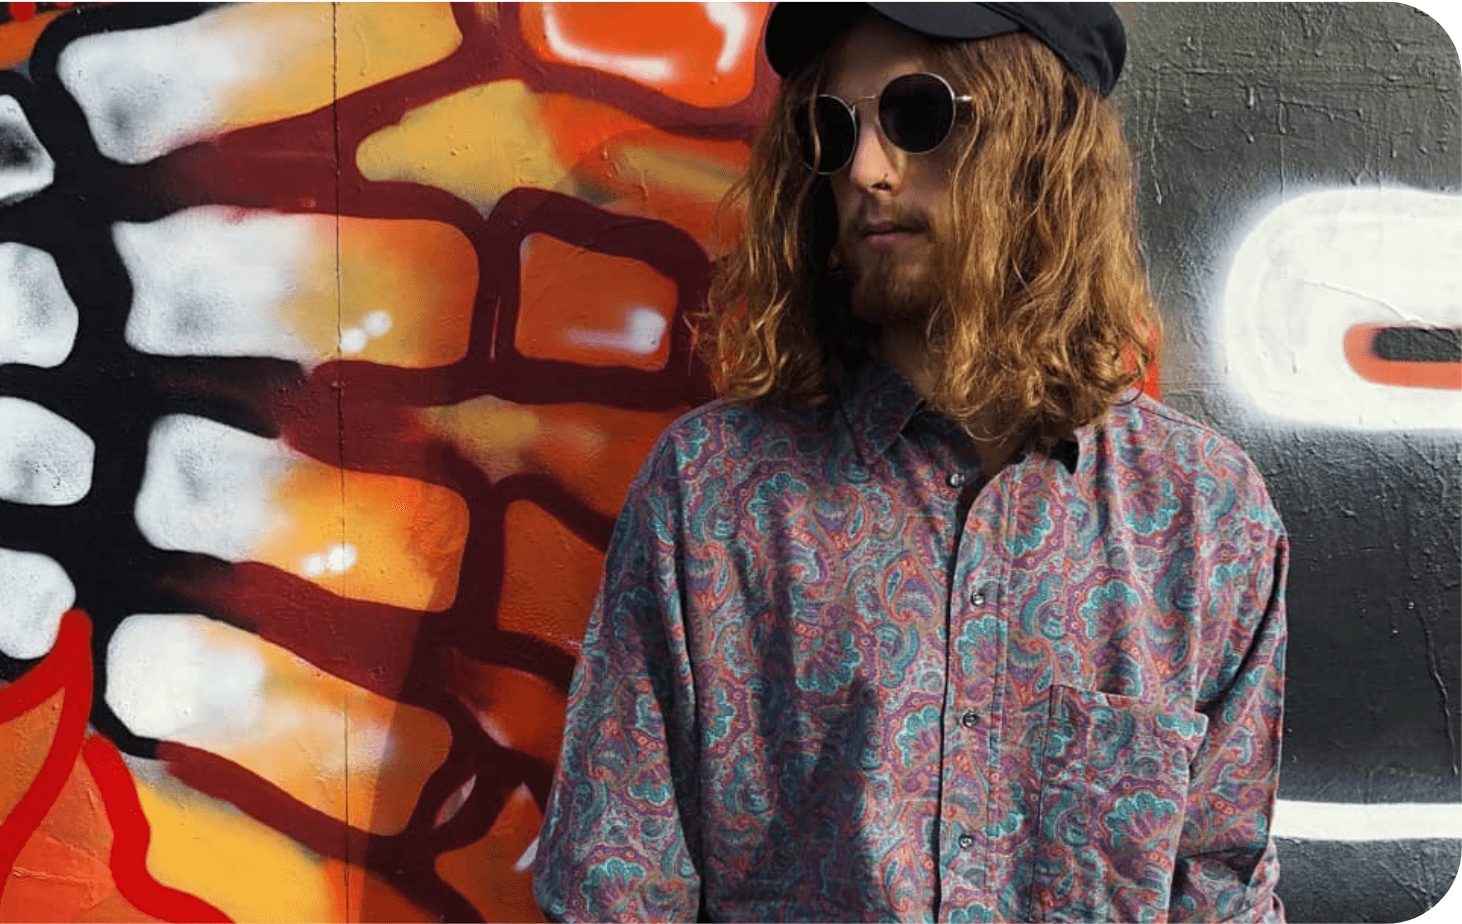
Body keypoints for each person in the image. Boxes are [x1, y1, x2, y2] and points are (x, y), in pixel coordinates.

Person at [532, 3, 1288, 921]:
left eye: (918, 116)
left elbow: (1220, 887)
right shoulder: (716, 496)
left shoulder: (1201, 519)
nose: (865, 168)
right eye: (833, 127)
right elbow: (617, 887)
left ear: (1042, 144)